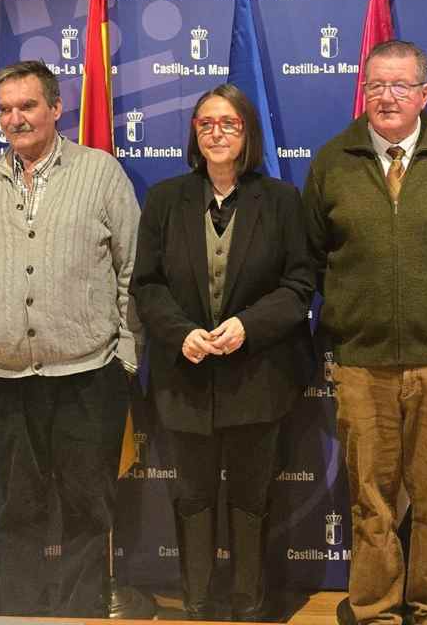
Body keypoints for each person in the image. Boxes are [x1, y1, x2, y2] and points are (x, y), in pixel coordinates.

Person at [303, 39, 427, 625]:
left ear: (424, 94)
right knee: (371, 501)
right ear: (364, 91)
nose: (387, 97)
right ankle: (377, 611)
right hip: (362, 363)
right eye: (376, 86)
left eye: (400, 86)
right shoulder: (333, 161)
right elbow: (314, 258)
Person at [0, 60, 140, 617]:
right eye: (5, 109)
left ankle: (80, 613)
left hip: (88, 378)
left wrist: (125, 360)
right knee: (18, 508)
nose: (15, 118)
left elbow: (134, 272)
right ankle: (19, 614)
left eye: (27, 106)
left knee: (85, 508)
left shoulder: (101, 173)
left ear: (55, 108)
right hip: (5, 381)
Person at [132, 84, 314, 621]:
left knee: (250, 499)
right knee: (192, 498)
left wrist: (247, 326)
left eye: (228, 123)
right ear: (194, 133)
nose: (216, 133)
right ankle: (196, 602)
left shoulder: (281, 200)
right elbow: (147, 284)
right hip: (184, 377)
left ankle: (248, 602)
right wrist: (179, 332)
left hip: (257, 378)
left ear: (247, 132)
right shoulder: (166, 199)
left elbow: (300, 284)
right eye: (206, 123)